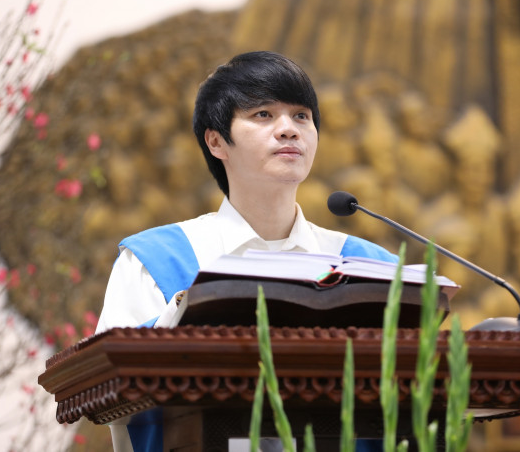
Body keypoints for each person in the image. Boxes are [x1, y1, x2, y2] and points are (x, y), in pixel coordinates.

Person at [95, 51, 398, 451]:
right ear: (217, 141)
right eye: (263, 115)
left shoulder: (373, 267)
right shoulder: (155, 261)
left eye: (301, 116)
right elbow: (105, 391)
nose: (288, 130)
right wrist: (192, 313)